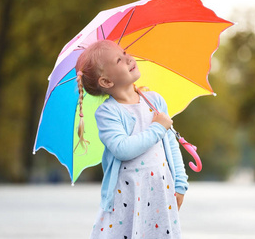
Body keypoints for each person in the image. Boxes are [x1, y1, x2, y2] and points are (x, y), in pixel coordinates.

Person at [75, 40, 189, 239]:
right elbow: (122, 148)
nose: (129, 58)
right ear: (107, 82)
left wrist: (180, 184)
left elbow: (170, 144)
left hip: (160, 192)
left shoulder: (154, 101)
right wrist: (157, 128)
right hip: (127, 195)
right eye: (119, 59)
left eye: (125, 52)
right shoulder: (108, 112)